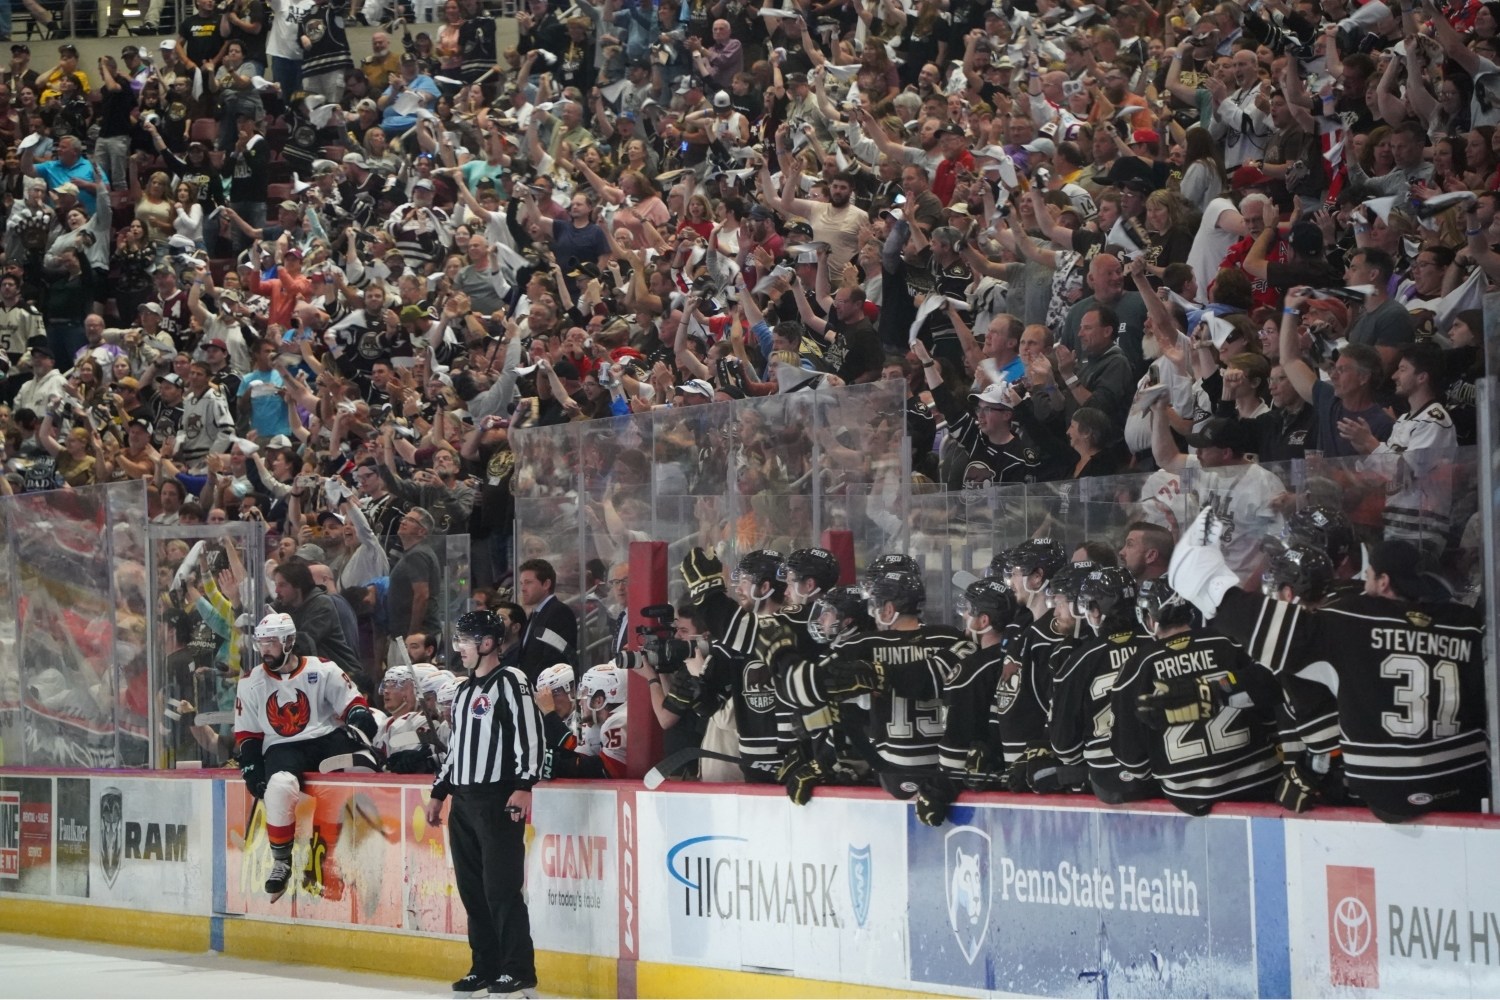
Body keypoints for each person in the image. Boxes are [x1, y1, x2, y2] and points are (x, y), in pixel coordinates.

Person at [424, 610, 542, 1000]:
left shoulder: (511, 681)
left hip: (498, 798)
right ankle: (485, 966)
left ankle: (517, 971)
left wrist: (524, 785)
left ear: (488, 643)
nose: (459, 649)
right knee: (472, 890)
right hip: (465, 802)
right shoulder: (463, 691)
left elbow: (530, 735)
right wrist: (440, 791)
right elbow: (457, 749)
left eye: (465, 641)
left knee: (501, 888)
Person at [233, 612, 378, 899]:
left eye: (271, 642)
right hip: (281, 746)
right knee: (279, 786)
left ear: (289, 641)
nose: (265, 649)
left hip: (326, 737)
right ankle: (281, 861)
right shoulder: (251, 682)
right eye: (261, 643)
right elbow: (248, 734)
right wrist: (250, 763)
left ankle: (357, 842)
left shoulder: (323, 669)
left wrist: (359, 715)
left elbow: (353, 703)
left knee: (363, 765)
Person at [516, 557, 578, 682]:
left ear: (546, 584)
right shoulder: (535, 614)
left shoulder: (559, 613)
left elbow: (555, 659)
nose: (523, 588)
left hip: (546, 693)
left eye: (528, 582)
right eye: (521, 583)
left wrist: (531, 686)